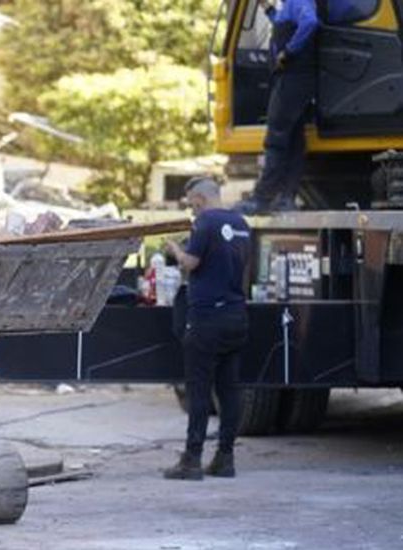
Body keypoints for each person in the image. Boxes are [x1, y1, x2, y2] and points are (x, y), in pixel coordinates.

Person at [164, 177, 251, 480]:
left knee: (198, 390)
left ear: (200, 198)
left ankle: (192, 460)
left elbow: (191, 262)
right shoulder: (241, 224)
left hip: (206, 318)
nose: (191, 207)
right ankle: (225, 458)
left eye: (191, 202)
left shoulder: (205, 223)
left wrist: (175, 249)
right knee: (230, 390)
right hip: (236, 315)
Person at [235, 0, 319, 214]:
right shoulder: (290, 4)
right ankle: (286, 198)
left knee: (276, 139)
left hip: (292, 78)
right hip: (294, 79)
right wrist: (269, 10)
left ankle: (262, 199)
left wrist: (288, 52)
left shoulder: (298, 0)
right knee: (294, 141)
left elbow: (310, 22)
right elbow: (285, 24)